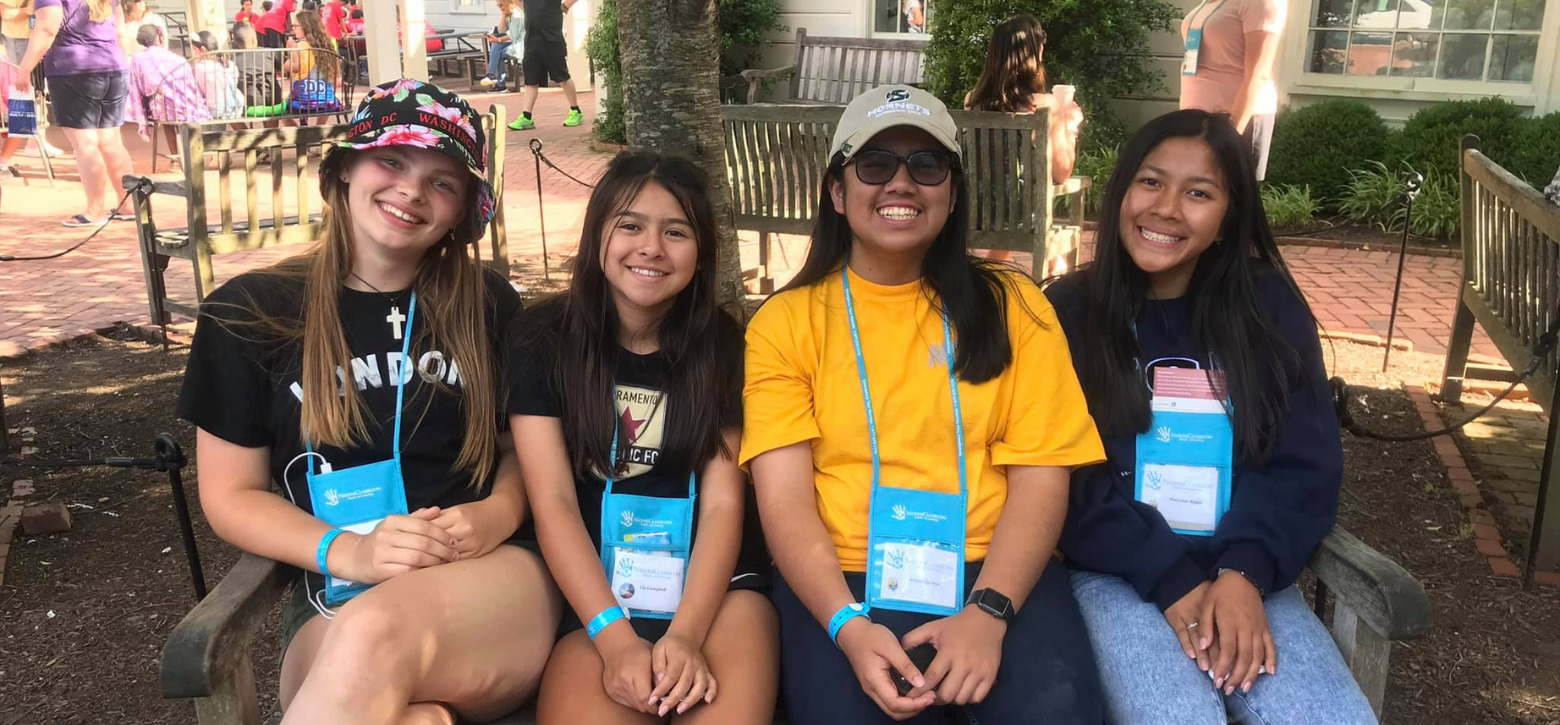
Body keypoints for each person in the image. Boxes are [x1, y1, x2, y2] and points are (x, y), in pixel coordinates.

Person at [179, 78, 560, 724]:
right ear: (346, 168)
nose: (412, 190)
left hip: (489, 577)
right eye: (392, 161)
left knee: (374, 634)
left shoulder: (486, 303)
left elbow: (522, 451)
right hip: (335, 590)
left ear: (463, 208)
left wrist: (497, 513)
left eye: (442, 182)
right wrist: (347, 550)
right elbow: (229, 495)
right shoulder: (248, 315)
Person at [741, 84, 1106, 724]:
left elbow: (1042, 478)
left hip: (997, 572)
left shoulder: (1015, 307)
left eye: (927, 165)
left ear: (953, 192)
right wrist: (848, 628)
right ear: (836, 191)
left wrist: (989, 612)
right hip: (845, 582)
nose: (901, 183)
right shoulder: (785, 323)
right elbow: (784, 502)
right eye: (875, 164)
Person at [1043, 108, 1377, 725]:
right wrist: (1166, 574)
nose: (1167, 207)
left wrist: (1243, 570)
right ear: (1120, 193)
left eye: (1199, 192)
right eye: (1151, 181)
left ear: (1227, 217)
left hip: (1248, 577)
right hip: (1117, 572)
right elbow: (1063, 477)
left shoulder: (1266, 308)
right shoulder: (1067, 312)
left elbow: (1303, 463)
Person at [510, 151, 780, 725]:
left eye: (676, 231)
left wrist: (685, 635)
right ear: (597, 235)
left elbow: (726, 499)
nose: (651, 247)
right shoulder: (542, 341)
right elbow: (553, 502)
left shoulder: (725, 347)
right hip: (597, 594)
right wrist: (613, 639)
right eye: (630, 225)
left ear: (702, 253)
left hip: (718, 591)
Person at [963, 13, 1084, 268]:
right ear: (1035, 50)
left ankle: (990, 283)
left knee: (1051, 258)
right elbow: (1062, 173)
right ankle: (1054, 295)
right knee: (1035, 219)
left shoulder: (971, 101)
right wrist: (1071, 125)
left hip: (979, 212)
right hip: (1023, 217)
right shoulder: (1045, 105)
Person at [14, 0, 136, 227]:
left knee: (85, 144)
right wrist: (125, 63)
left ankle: (94, 211)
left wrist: (25, 68)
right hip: (113, 67)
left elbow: (47, 27)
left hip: (74, 70)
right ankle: (129, 205)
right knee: (110, 142)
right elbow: (120, 31)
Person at [1177, 0, 1284, 180]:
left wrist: (1233, 131)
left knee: (1233, 194)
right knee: (1197, 189)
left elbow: (1258, 73)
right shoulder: (1209, 2)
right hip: (1197, 117)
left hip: (1234, 116)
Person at [126, 23, 210, 168]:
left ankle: (176, 158)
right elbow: (191, 84)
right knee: (181, 115)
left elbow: (136, 87)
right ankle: (192, 156)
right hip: (189, 106)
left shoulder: (138, 58)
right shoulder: (177, 59)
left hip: (162, 108)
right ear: (160, 36)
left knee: (165, 114)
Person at [506, 0, 580, 131]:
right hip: (532, 39)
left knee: (562, 76)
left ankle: (576, 111)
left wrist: (564, 7)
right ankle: (526, 116)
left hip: (551, 38)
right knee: (530, 79)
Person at [282, 10, 341, 115]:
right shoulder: (327, 45)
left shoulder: (300, 46)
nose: (293, 29)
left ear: (306, 27)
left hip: (303, 101)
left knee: (281, 106)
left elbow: (291, 67)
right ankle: (320, 124)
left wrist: (291, 49)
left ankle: (301, 129)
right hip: (328, 101)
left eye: (295, 26)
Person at [230, 21, 283, 120]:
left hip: (248, 106)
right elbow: (279, 68)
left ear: (235, 40)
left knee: (228, 110)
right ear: (254, 37)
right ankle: (271, 130)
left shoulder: (232, 59)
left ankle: (244, 132)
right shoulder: (270, 52)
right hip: (275, 105)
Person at [190, 29, 242, 120]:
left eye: (194, 49)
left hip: (217, 109)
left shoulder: (199, 68)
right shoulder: (229, 63)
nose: (194, 52)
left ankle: (212, 134)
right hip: (237, 104)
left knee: (204, 111)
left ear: (202, 50)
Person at [477, 0, 522, 93]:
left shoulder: (517, 15)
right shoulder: (509, 15)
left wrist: (498, 39)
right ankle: (493, 76)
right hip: (513, 42)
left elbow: (513, 35)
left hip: (522, 44)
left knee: (497, 52)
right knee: (496, 47)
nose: (500, 7)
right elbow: (501, 30)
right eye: (498, 6)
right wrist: (504, 15)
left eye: (501, 5)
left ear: (508, 3)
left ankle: (497, 80)